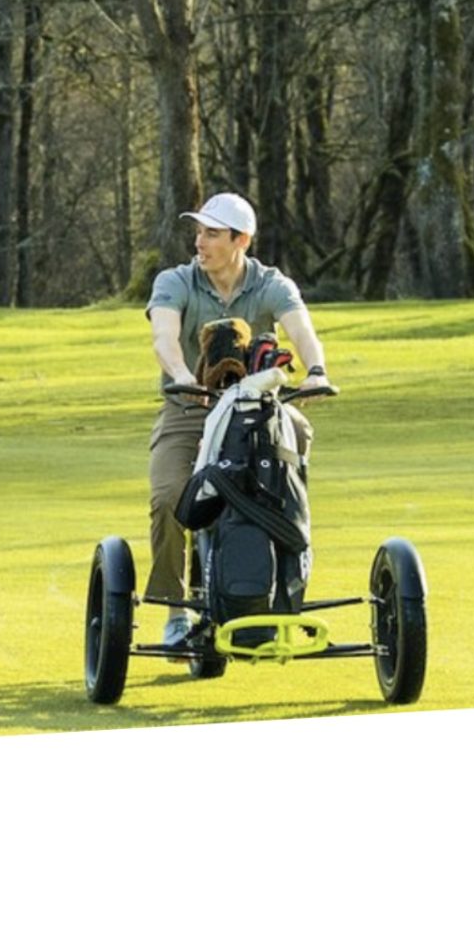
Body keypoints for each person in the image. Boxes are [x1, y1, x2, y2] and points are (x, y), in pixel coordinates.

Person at [144, 191, 332, 649]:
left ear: (241, 240)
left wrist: (317, 372)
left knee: (298, 438)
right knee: (170, 496)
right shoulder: (177, 281)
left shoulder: (271, 284)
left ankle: (284, 588)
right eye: (198, 232)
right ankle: (175, 611)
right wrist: (185, 375)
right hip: (190, 408)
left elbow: (301, 328)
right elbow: (164, 335)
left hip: (257, 413)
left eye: (212, 234)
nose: (200, 242)